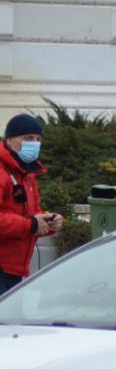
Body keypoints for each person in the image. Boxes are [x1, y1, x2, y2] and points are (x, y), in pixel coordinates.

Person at [0, 113, 60, 294]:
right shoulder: (3, 173)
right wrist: (30, 225)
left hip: (14, 270)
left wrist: (48, 223)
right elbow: (28, 223)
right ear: (10, 140)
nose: (34, 143)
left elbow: (34, 215)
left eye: (38, 139)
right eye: (28, 138)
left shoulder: (27, 175)